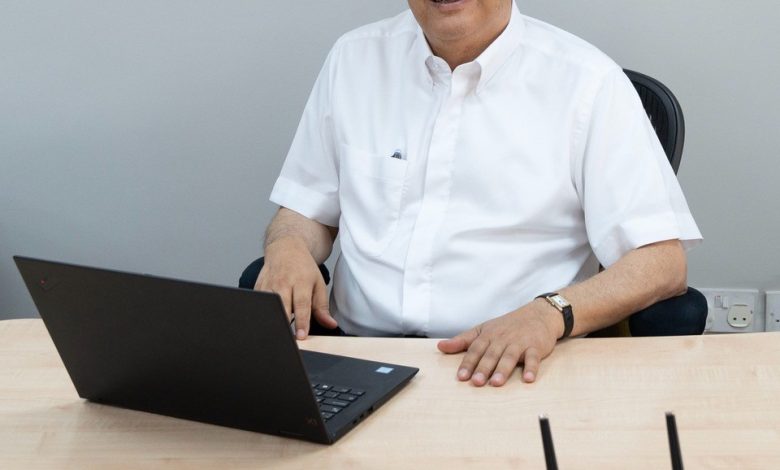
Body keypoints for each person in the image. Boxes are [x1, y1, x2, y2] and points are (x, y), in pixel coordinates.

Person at [254, 0, 701, 387]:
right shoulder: (353, 59)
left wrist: (551, 313)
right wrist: (288, 246)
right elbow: (306, 211)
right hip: (353, 357)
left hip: (512, 366)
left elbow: (661, 264)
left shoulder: (588, 82)